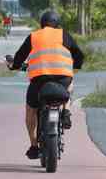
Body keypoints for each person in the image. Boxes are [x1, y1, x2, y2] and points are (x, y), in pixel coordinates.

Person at [5, 11, 84, 159]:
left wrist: (14, 66)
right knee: (70, 83)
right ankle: (66, 111)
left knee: (31, 110)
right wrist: (75, 67)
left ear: (41, 23)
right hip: (62, 79)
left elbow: (20, 56)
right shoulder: (64, 35)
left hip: (39, 81)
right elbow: (79, 55)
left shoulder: (34, 36)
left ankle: (34, 146)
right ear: (58, 24)